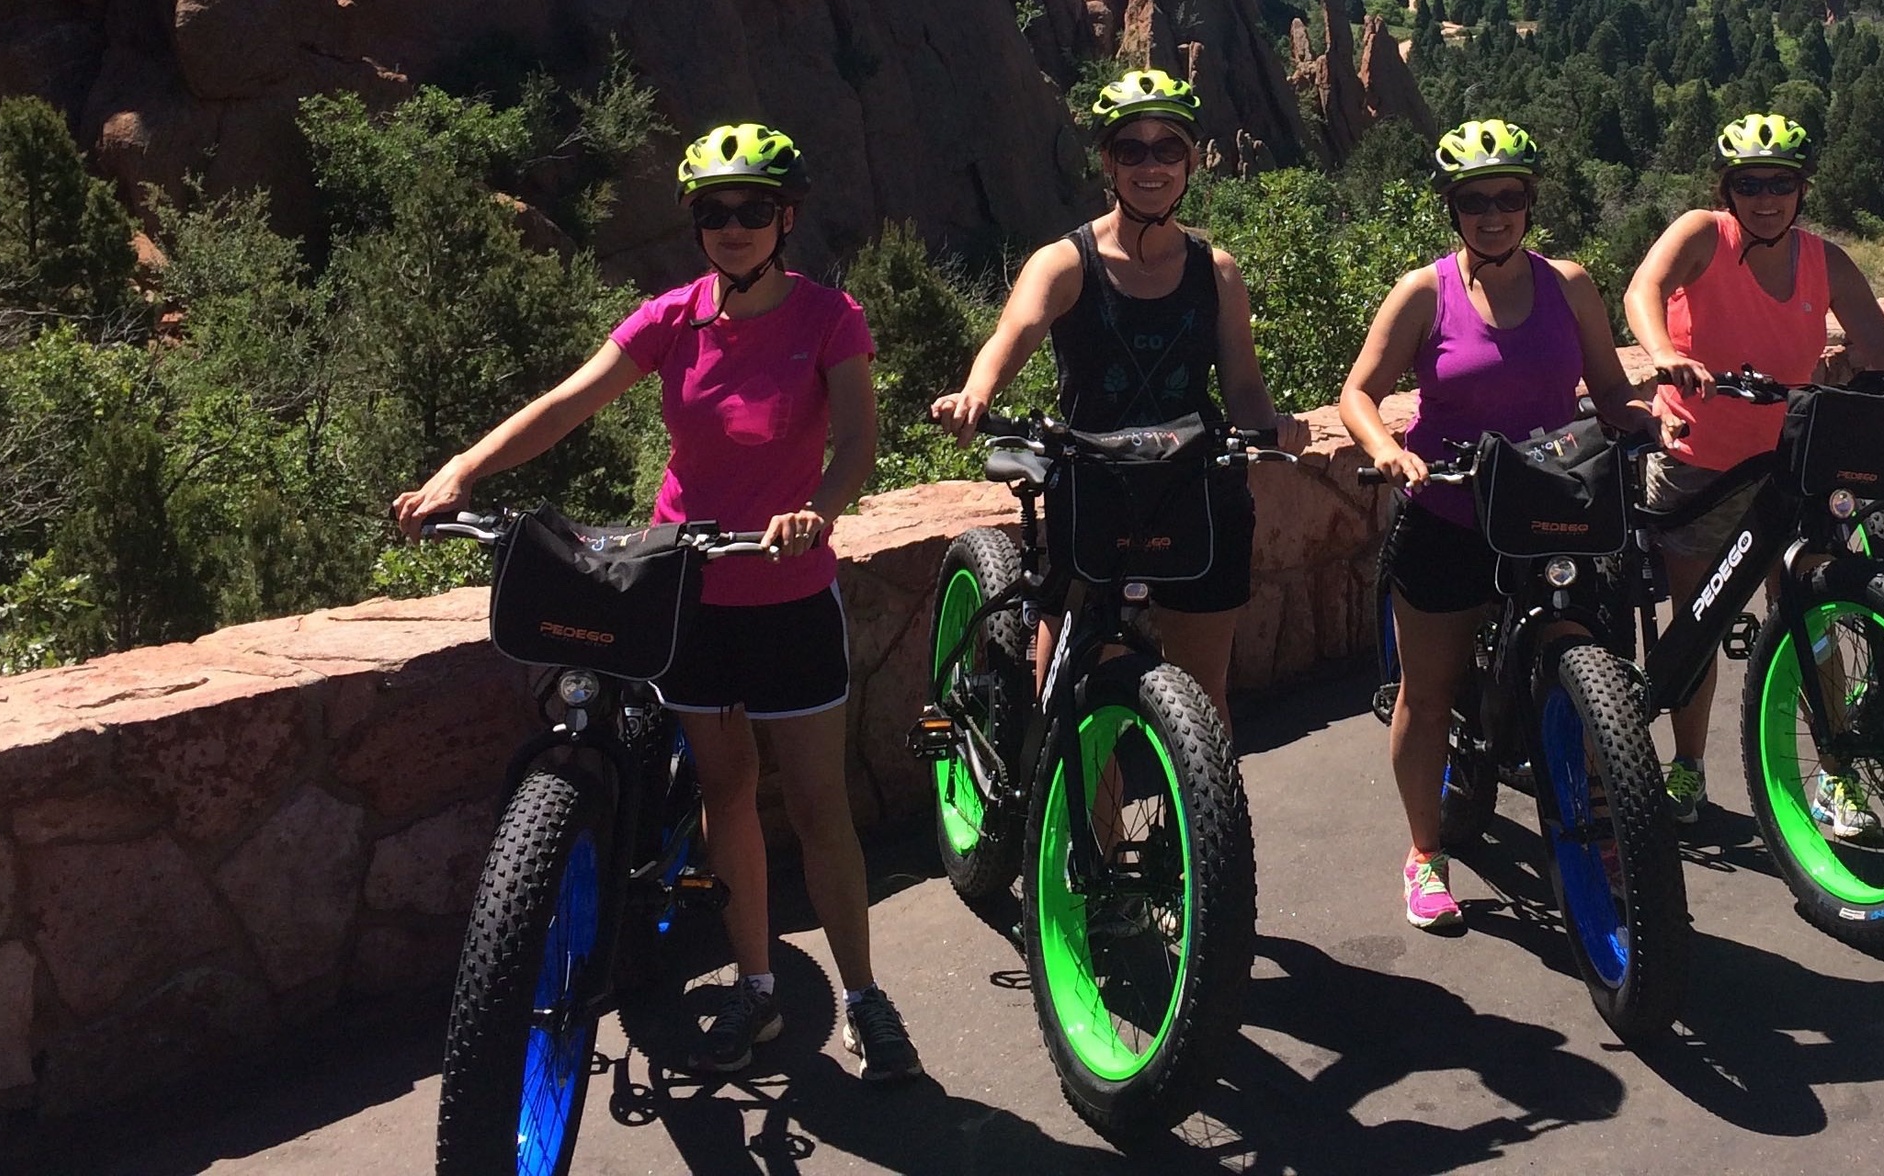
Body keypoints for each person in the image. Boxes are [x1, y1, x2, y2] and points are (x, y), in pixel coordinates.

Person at [393, 124, 921, 1083]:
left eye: (752, 210)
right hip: (688, 591)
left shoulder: (828, 318)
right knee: (725, 794)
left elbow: (857, 445)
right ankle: (757, 991)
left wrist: (818, 512)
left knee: (814, 803)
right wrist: (462, 470)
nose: (732, 228)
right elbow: (567, 403)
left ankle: (864, 995)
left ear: (786, 218)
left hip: (789, 594)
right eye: (714, 213)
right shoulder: (672, 318)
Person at [1339, 119, 1650, 932]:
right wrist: (1388, 452)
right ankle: (1425, 854)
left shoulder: (1571, 284)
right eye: (1474, 200)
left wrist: (1647, 417)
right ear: (1452, 208)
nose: (1492, 214)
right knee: (1430, 691)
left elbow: (1611, 391)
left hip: (1551, 507)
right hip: (1448, 509)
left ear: (1529, 203)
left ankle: (1609, 831)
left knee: (1596, 670)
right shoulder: (1424, 292)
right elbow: (1358, 394)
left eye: (1508, 198)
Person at [929, 68, 1303, 719]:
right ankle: (1068, 821)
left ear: (1192, 160)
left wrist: (1273, 425)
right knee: (1072, 705)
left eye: (1168, 149)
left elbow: (1241, 384)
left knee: (1205, 703)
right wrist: (975, 393)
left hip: (1190, 489)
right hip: (1093, 485)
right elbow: (1013, 332)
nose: (1150, 165)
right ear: (1108, 160)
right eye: (1132, 149)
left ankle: (1203, 819)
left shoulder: (1216, 272)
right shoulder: (1067, 263)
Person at [1627, 113, 1884, 839]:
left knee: (1816, 613)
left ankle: (1834, 773)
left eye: (1781, 183)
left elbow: (1876, 341)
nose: (1765, 198)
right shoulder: (1702, 234)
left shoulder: (1821, 260)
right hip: (1698, 461)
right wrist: (1661, 353)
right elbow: (1643, 291)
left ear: (1802, 189)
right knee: (1698, 622)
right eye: (1749, 184)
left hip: (1793, 464)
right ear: (1727, 188)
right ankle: (1687, 766)